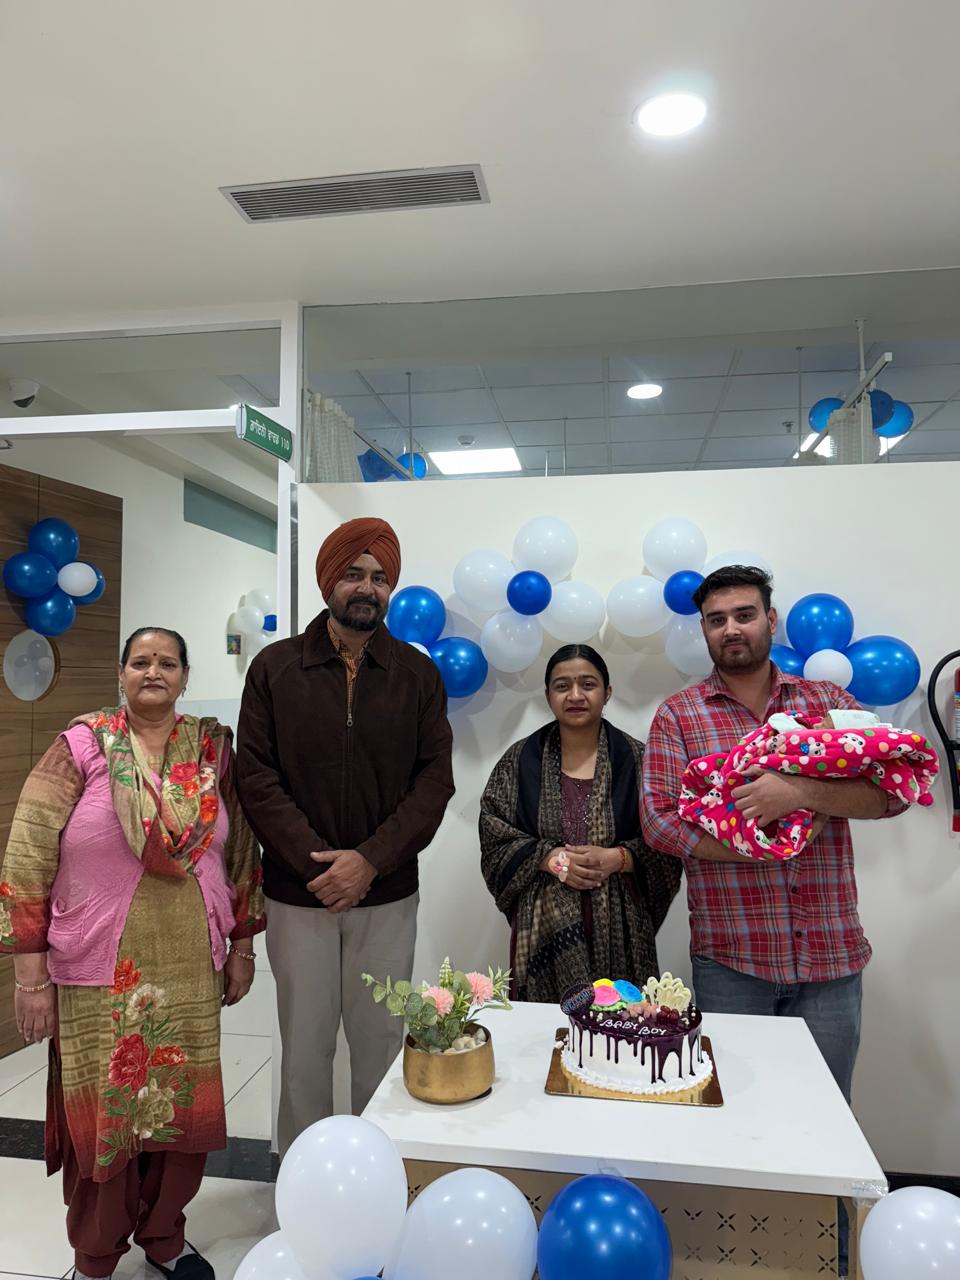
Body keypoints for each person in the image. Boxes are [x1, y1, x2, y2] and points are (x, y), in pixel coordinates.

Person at [640, 564, 907, 1278]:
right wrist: (757, 844)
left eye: (744, 614)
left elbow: (888, 794)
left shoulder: (827, 702)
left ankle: (830, 1262)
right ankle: (744, 1264)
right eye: (716, 619)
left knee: (829, 1127)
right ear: (703, 630)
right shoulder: (679, 716)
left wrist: (796, 792)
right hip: (732, 963)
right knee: (736, 1127)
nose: (731, 629)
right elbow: (659, 822)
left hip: (831, 960)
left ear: (771, 619)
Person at [0, 627, 264, 1280]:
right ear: (120, 675)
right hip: (98, 965)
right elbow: (28, 851)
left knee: (179, 1113)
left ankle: (164, 1236)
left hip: (189, 962)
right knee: (107, 1118)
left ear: (185, 677)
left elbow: (241, 852)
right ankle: (96, 1255)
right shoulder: (82, 746)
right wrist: (30, 976)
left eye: (167, 662)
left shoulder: (211, 750)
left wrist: (242, 944)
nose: (154, 671)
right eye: (140, 661)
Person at [237, 516, 454, 1156]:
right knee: (304, 1050)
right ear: (329, 581)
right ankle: (303, 1183)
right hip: (298, 894)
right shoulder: (275, 668)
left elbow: (433, 782)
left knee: (382, 1046)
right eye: (355, 574)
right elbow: (256, 778)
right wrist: (321, 868)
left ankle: (379, 1177)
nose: (367, 588)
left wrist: (369, 861)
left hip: (386, 895)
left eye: (380, 578)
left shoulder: (417, 675)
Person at [479, 644, 682, 1002]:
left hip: (622, 929)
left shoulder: (640, 760)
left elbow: (670, 839)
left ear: (607, 692)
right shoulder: (519, 761)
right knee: (546, 1030)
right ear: (548, 696)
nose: (575, 695)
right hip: (543, 929)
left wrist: (619, 859)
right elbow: (494, 836)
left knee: (621, 1024)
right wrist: (547, 858)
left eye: (588, 684)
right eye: (562, 686)